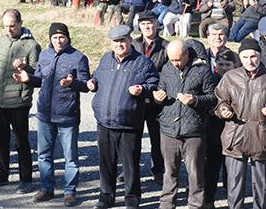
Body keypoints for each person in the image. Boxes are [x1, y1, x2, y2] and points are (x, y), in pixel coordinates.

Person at [13, 22, 90, 206]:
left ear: (68, 37)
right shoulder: (44, 55)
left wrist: (72, 83)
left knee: (70, 156)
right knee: (44, 155)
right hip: (44, 114)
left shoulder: (78, 58)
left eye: (62, 37)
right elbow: (39, 80)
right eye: (55, 37)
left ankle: (70, 191)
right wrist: (28, 79)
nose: (58, 41)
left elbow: (86, 85)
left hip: (67, 115)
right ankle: (47, 189)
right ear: (50, 39)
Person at [214, 38, 266, 209]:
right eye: (245, 57)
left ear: (260, 55)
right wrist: (223, 110)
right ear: (240, 58)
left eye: (253, 56)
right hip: (235, 134)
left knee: (263, 186)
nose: (250, 61)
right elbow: (220, 100)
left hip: (262, 135)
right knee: (234, 183)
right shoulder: (230, 77)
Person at [88, 25, 160, 209]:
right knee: (106, 163)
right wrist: (93, 82)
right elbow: (97, 77)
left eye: (122, 40)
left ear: (130, 40)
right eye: (116, 41)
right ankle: (106, 196)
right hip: (104, 121)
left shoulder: (143, 62)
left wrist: (142, 89)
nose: (119, 44)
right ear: (111, 43)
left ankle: (132, 198)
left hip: (129, 122)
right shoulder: (105, 59)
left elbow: (153, 82)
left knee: (130, 164)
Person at [153, 40, 217, 209]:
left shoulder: (202, 70)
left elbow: (213, 97)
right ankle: (167, 204)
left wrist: (195, 100)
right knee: (169, 172)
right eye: (172, 60)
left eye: (178, 59)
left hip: (193, 130)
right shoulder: (167, 68)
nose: (175, 64)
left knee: (195, 173)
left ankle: (196, 205)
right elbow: (161, 88)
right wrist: (158, 97)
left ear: (187, 54)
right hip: (168, 129)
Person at [0, 9, 40, 193]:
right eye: (5, 26)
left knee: (21, 141)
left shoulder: (31, 45)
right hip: (0, 99)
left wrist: (25, 67)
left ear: (21, 23)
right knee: (1, 139)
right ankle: (2, 174)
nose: (9, 29)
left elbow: (37, 74)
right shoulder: (0, 41)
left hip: (19, 101)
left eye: (12, 26)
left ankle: (26, 179)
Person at [132, 11, 169, 184]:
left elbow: (169, 73)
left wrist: (158, 88)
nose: (147, 27)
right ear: (139, 26)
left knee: (157, 138)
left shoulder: (166, 46)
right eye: (144, 24)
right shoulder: (132, 44)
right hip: (136, 99)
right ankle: (131, 169)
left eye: (151, 23)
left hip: (156, 99)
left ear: (157, 24)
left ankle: (159, 169)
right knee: (133, 138)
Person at [204, 48, 239, 209]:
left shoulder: (239, 80)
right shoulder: (210, 79)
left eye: (228, 64)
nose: (224, 67)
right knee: (211, 166)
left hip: (235, 129)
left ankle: (233, 198)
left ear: (234, 65)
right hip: (214, 130)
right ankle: (208, 199)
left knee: (232, 169)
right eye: (221, 64)